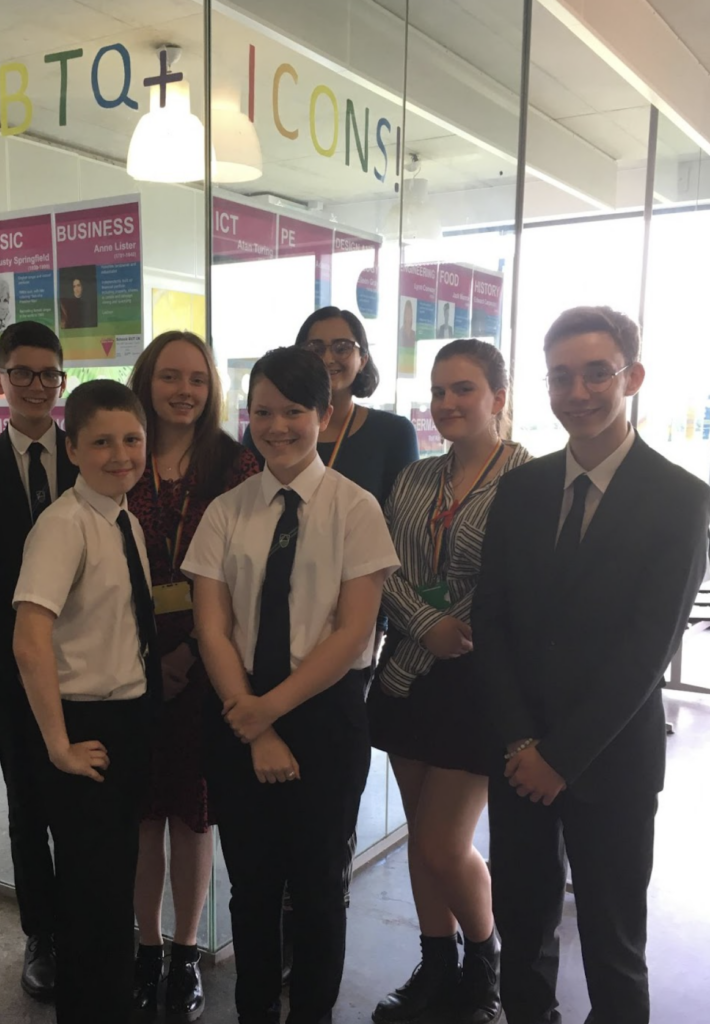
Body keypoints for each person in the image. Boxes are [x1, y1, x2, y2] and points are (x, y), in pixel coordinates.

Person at [473, 306, 710, 1024]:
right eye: (559, 377)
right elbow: (492, 619)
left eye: (595, 373)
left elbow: (647, 651)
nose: (576, 392)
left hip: (608, 761)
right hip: (517, 757)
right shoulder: (520, 489)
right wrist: (521, 745)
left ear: (630, 377)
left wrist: (560, 758)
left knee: (611, 944)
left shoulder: (680, 499)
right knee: (521, 931)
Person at [183, 346, 399, 1024]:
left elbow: (351, 633)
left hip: (323, 715)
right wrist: (253, 722)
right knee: (249, 888)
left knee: (317, 888)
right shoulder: (226, 510)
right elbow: (211, 630)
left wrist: (267, 715)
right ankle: (253, 1013)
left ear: (324, 413)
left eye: (295, 412)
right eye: (263, 411)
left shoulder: (354, 508)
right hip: (239, 705)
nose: (277, 427)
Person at [369, 339, 530, 1024]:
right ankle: (435, 965)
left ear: (498, 395)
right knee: (419, 836)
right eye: (437, 392)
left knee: (442, 841)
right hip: (406, 674)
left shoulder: (529, 480)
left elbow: (515, 586)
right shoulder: (412, 479)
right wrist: (422, 622)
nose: (446, 404)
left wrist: (449, 626)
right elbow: (380, 567)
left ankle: (484, 969)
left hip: (478, 684)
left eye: (463, 389)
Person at [12, 379, 159, 1024]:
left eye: (131, 439)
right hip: (83, 723)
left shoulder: (125, 518)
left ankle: (110, 1004)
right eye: (101, 442)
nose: (120, 453)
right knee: (90, 894)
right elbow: (29, 640)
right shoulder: (63, 525)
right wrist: (58, 745)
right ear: (71, 449)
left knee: (109, 888)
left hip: (128, 718)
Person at [127, 330, 259, 1021]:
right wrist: (148, 655)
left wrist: (189, 656)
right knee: (143, 814)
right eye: (171, 376)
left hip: (209, 659)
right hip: (125, 658)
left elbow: (246, 573)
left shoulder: (235, 466)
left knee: (192, 814)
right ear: (146, 379)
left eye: (198, 380)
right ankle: (144, 947)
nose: (184, 391)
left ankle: (184, 954)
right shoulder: (120, 449)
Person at [0, 321, 74, 1003]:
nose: (36, 385)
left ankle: (96, 924)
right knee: (27, 807)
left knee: (88, 805)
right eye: (22, 372)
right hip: (12, 670)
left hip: (92, 667)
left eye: (49, 374)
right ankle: (44, 935)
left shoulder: (94, 454)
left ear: (63, 382)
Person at [244, 307, 418, 509]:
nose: (327, 359)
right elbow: (250, 501)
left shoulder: (394, 433)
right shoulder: (266, 432)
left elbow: (404, 521)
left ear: (363, 359)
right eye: (315, 349)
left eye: (342, 348)